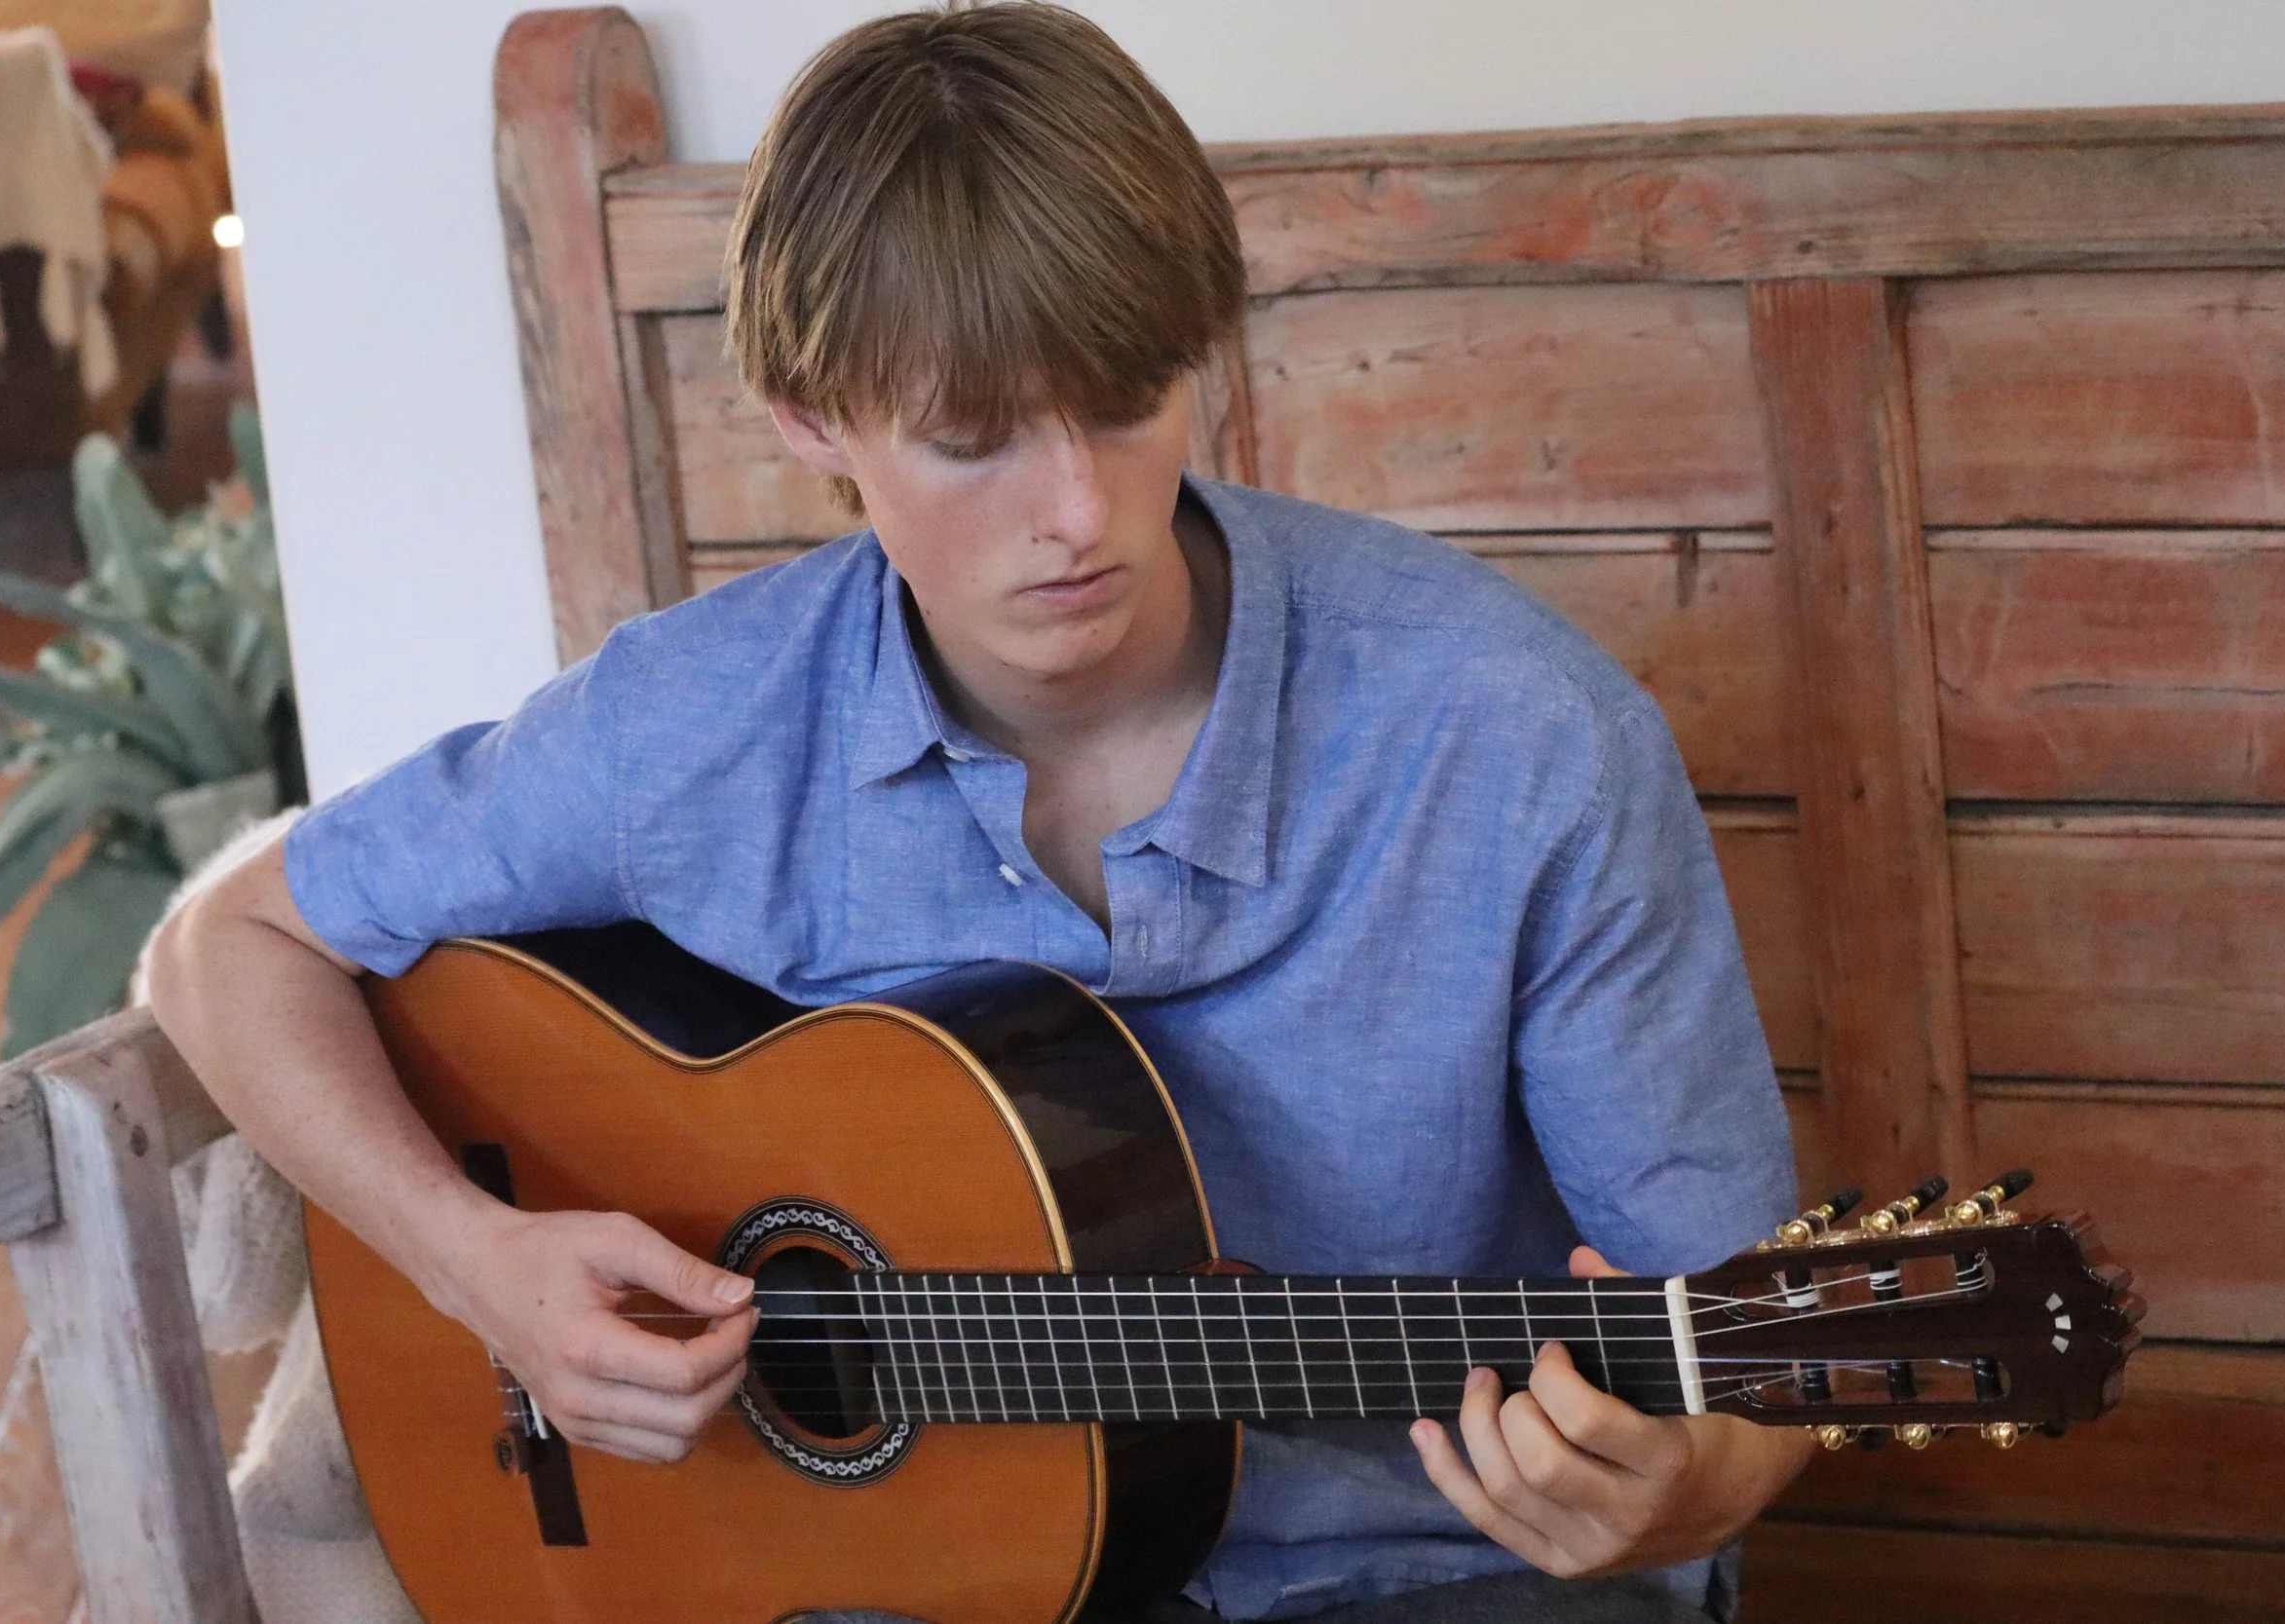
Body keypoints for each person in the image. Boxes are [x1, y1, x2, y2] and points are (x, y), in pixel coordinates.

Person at [146, 5, 1809, 1619]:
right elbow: (232, 942)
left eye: (1125, 401)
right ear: (815, 420)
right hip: (906, 1582)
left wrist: (1687, 1482)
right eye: (969, 440)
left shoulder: (1526, 742)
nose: (1078, 515)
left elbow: (1764, 1364)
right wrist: (477, 1267)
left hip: (1427, 1575)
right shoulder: (691, 725)